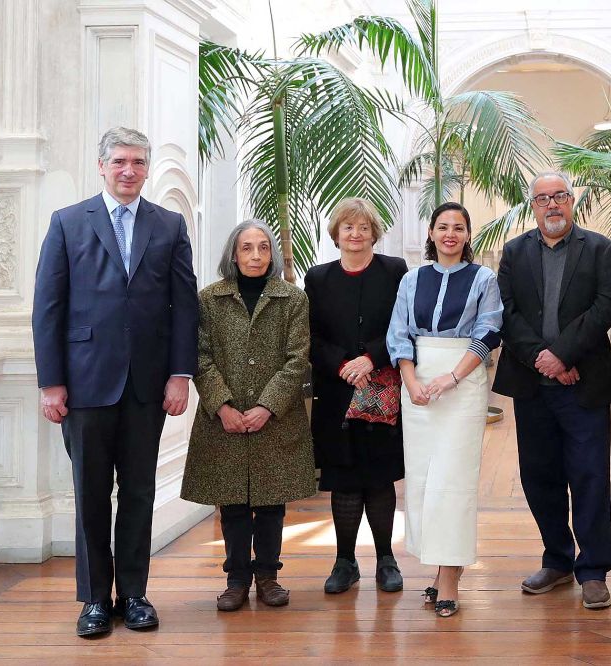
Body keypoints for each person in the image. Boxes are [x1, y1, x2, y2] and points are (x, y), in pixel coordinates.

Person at [32, 127, 198, 636]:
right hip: (83, 385)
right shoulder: (67, 223)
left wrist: (180, 373)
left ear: (147, 169)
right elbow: (48, 307)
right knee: (90, 493)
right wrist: (52, 382)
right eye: (121, 161)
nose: (130, 170)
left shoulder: (169, 225)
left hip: (148, 386)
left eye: (139, 162)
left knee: (140, 493)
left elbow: (183, 307)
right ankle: (94, 600)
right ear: (101, 166)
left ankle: (135, 594)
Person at [492, 171, 611, 610]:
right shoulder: (514, 252)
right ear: (533, 206)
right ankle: (558, 559)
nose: (552, 205)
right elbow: (506, 312)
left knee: (589, 477)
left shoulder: (600, 249)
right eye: (542, 198)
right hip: (532, 385)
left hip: (584, 383)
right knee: (539, 477)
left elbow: (606, 306)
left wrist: (563, 355)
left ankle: (594, 570)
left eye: (559, 196)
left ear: (571, 201)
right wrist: (542, 358)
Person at [181, 220, 315, 611]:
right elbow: (199, 356)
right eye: (246, 248)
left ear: (271, 254)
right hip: (224, 421)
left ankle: (269, 576)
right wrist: (222, 404)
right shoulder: (209, 299)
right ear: (233, 254)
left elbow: (297, 360)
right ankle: (236, 579)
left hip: (276, 419)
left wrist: (266, 406)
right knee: (233, 503)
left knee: (272, 502)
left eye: (263, 248)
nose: (255, 255)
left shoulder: (293, 298)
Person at [386, 202, 502, 618]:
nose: (450, 233)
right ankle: (437, 568)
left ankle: (451, 576)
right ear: (431, 234)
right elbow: (399, 332)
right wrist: (412, 381)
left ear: (468, 235)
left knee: (453, 481)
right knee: (422, 480)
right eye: (442, 226)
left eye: (458, 227)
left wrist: (451, 378)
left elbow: (489, 331)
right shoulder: (410, 279)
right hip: (416, 384)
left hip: (462, 380)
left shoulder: (484, 278)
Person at [304, 198, 408, 595]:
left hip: (382, 388)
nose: (356, 233)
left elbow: (404, 324)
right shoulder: (318, 278)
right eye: (348, 227)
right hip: (336, 391)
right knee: (344, 479)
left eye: (363, 227)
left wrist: (370, 358)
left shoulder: (395, 271)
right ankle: (344, 562)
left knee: (379, 478)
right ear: (336, 234)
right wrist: (343, 364)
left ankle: (386, 559)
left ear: (373, 232)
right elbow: (310, 335)